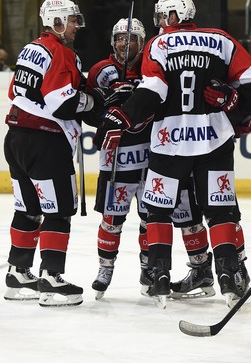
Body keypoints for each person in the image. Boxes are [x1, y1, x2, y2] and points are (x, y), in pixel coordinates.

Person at [98, 0, 251, 308]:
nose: (159, 22)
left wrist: (124, 113)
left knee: (159, 209)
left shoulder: (158, 45)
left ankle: (159, 274)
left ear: (173, 17)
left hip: (169, 141)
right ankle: (228, 276)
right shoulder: (220, 39)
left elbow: (154, 90)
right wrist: (235, 109)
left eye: (162, 16)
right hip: (214, 139)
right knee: (220, 210)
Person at [3, 0, 120, 306]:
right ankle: (51, 279)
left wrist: (84, 89)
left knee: (28, 208)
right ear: (55, 22)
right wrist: (94, 101)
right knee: (59, 211)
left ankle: (18, 274)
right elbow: (62, 103)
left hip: (15, 139)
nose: (76, 27)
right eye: (71, 21)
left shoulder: (33, 48)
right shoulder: (60, 51)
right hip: (46, 143)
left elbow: (14, 90)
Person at [86, 17, 152, 300]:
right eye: (120, 39)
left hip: (150, 154)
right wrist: (107, 102)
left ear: (141, 41)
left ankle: (149, 268)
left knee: (150, 218)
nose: (125, 43)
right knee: (112, 218)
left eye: (131, 38)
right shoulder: (102, 70)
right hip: (116, 157)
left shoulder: (152, 66)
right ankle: (105, 267)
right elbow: (88, 111)